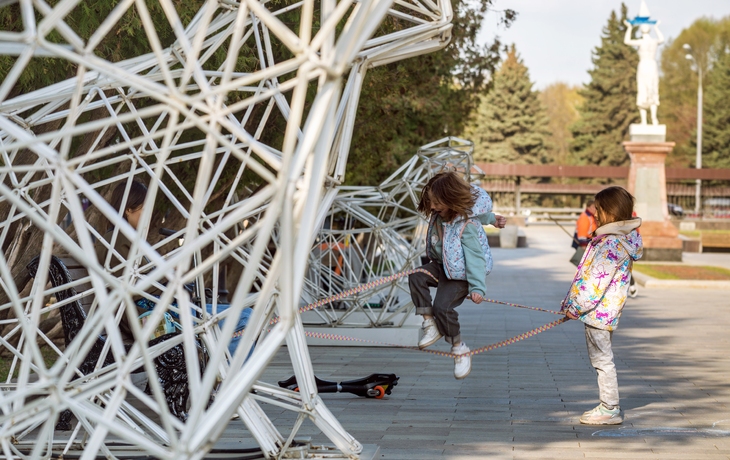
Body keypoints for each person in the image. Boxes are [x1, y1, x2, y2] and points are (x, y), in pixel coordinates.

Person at [95, 180, 252, 355]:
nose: (149, 215)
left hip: (165, 310)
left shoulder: (125, 239)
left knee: (246, 315)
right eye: (144, 209)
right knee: (244, 317)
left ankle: (224, 369)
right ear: (128, 209)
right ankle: (226, 371)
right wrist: (169, 273)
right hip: (153, 317)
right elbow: (132, 287)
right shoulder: (115, 242)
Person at [408, 172, 506, 379]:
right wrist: (493, 219)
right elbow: (481, 215)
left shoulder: (466, 226)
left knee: (442, 307)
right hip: (442, 266)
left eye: (437, 203)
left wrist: (477, 287)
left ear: (451, 199)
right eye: (431, 202)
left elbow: (476, 258)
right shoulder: (439, 215)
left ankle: (459, 348)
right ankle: (430, 324)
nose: (432, 207)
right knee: (416, 276)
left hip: (461, 275)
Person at [561, 186, 643, 425]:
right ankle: (608, 406)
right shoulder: (618, 240)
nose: (594, 214)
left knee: (602, 360)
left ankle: (609, 408)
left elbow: (595, 283)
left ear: (611, 211)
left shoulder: (611, 244)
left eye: (598, 209)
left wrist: (575, 307)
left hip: (598, 312)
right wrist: (571, 303)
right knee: (602, 358)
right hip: (602, 311)